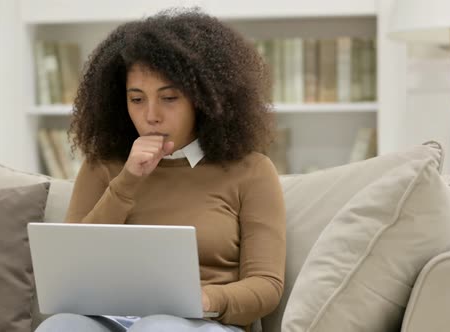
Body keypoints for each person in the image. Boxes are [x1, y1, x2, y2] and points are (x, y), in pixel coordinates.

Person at [36, 8, 286, 332]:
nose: (151, 115)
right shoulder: (103, 166)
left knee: (157, 329)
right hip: (111, 318)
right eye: (136, 99)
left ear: (203, 99)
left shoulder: (251, 171)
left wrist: (208, 299)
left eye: (169, 98)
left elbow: (266, 285)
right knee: (60, 327)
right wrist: (127, 181)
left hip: (204, 322)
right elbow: (70, 269)